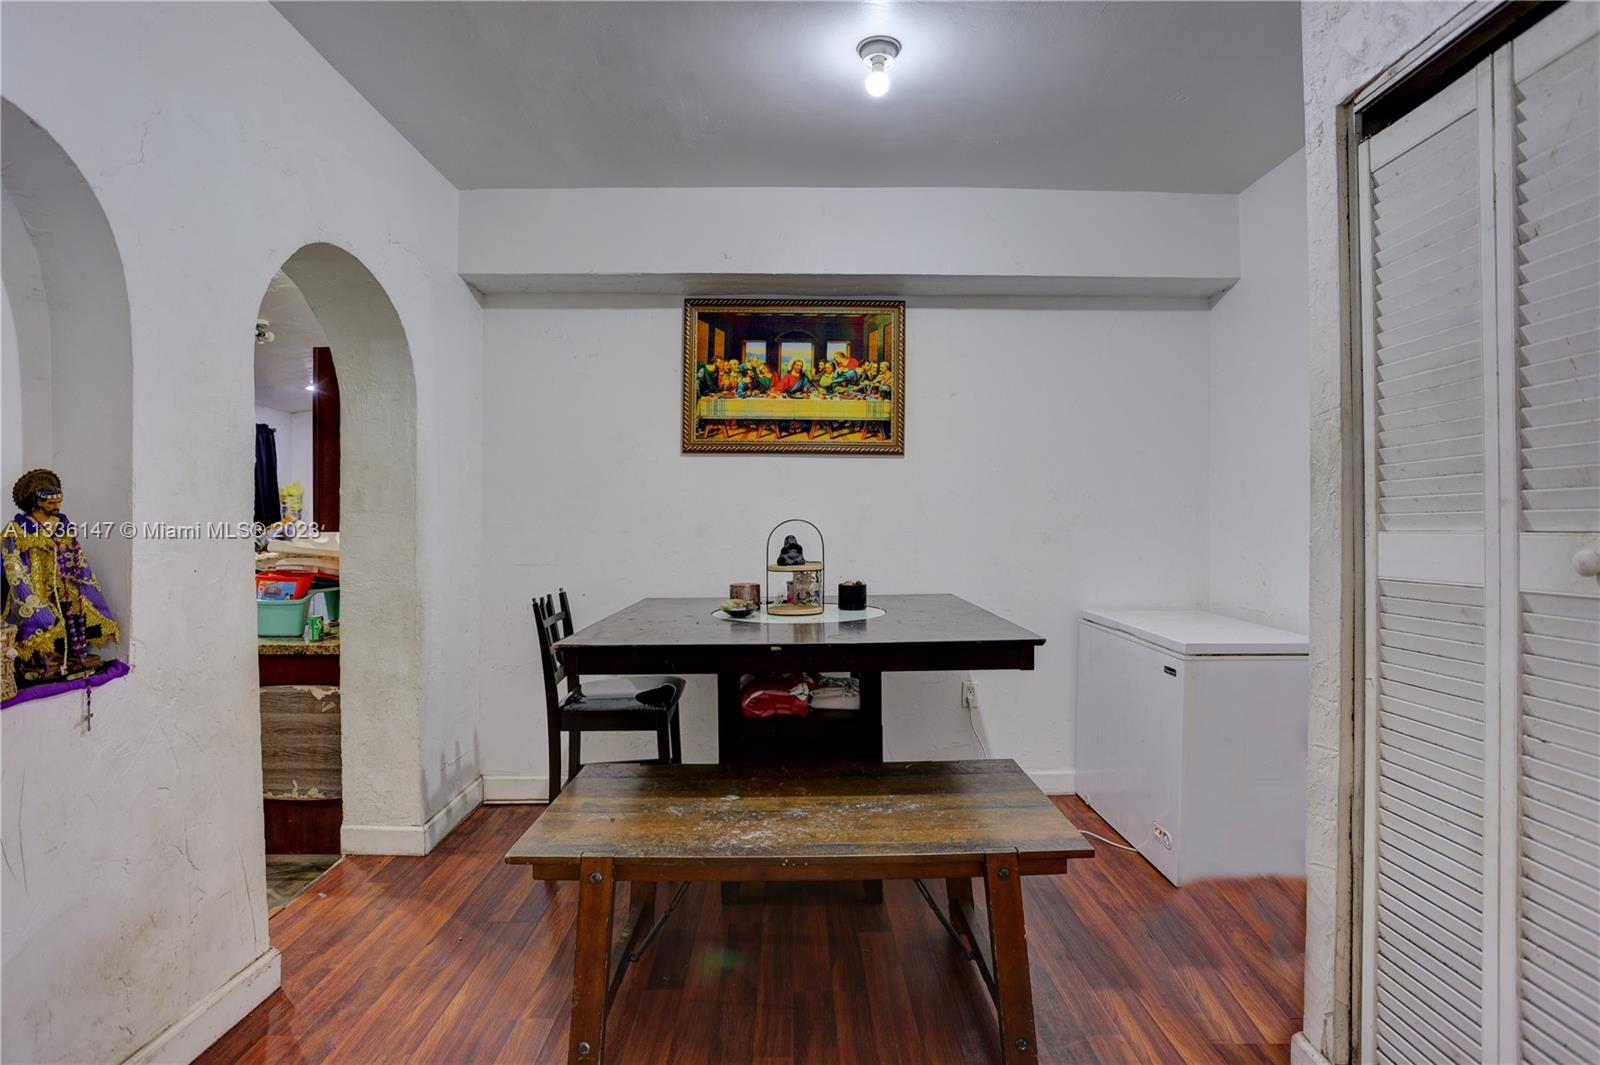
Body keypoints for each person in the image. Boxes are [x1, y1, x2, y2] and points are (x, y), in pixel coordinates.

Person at [1, 469, 120, 684]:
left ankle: (71, 657)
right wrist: (30, 598)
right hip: (31, 589)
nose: (57, 507)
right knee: (42, 616)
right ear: (37, 502)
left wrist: (81, 589)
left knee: (82, 608)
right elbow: (13, 568)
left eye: (59, 502)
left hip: (62, 587)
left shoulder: (62, 525)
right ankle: (43, 661)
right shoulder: (16, 530)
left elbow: (77, 560)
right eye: (51, 503)